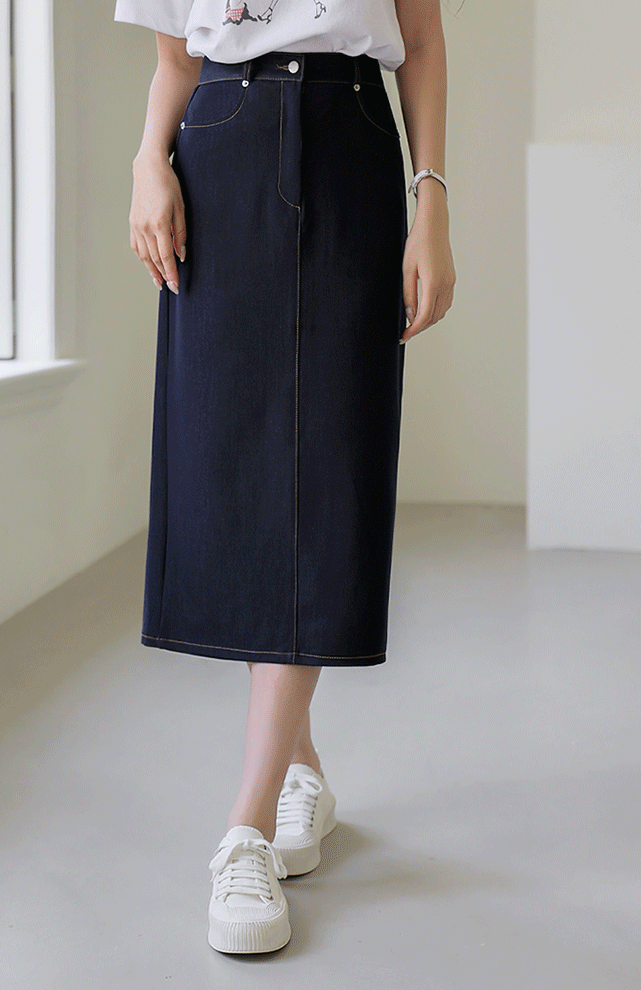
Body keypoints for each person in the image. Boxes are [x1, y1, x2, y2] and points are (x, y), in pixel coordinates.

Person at [113, 0, 456, 955]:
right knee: (236, 469)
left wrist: (431, 199)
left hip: (350, 141)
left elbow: (420, 40)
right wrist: (147, 163)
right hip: (216, 147)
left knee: (322, 467)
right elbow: (175, 59)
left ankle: (247, 826)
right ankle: (298, 766)